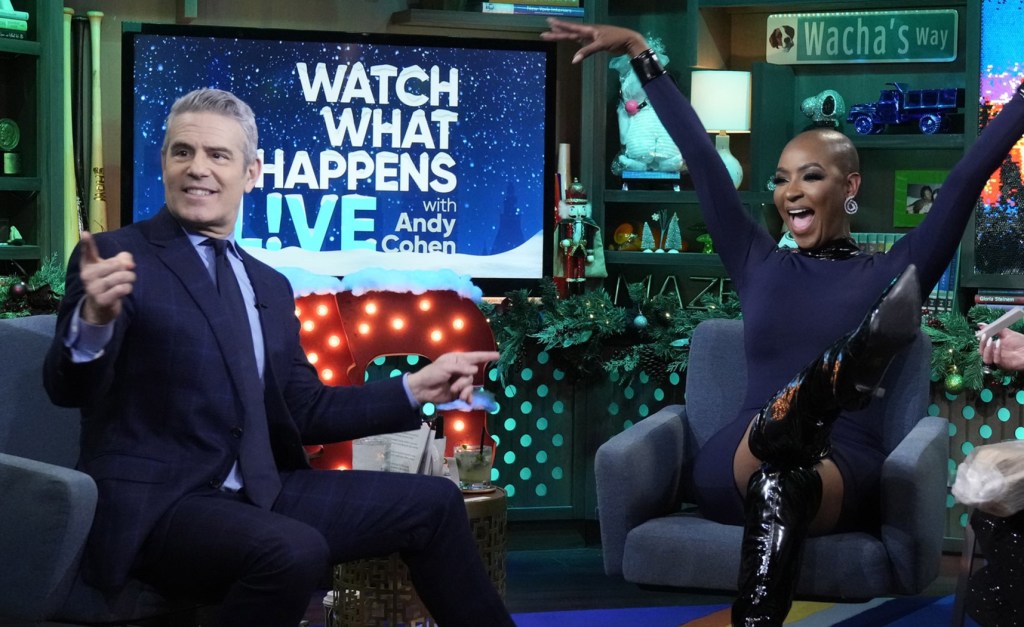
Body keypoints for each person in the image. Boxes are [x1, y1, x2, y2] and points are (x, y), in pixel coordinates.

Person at [542, 17, 1024, 626]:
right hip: (737, 457)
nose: (790, 190)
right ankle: (827, 382)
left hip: (837, 469)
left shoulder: (897, 270)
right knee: (771, 458)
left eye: (811, 175)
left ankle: (811, 403)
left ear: (850, 186)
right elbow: (702, 158)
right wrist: (642, 54)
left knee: (783, 480)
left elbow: (962, 182)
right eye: (781, 178)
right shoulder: (756, 259)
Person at [43, 88, 514, 627]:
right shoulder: (117, 258)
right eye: (182, 152)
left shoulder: (266, 284)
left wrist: (412, 390)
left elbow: (303, 407)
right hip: (162, 507)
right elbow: (67, 389)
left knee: (435, 503)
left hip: (261, 491)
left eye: (218, 155)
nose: (198, 169)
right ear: (165, 162)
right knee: (292, 551)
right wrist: (94, 324)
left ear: (252, 172)